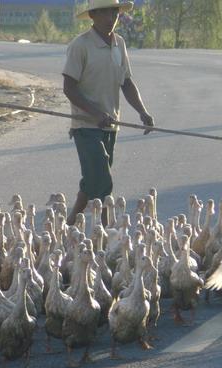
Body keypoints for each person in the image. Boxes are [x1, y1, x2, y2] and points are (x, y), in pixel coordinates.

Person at [62, 0, 154, 226]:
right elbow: (69, 88)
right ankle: (106, 231)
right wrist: (95, 114)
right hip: (86, 126)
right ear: (93, 15)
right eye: (105, 12)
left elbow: (127, 82)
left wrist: (143, 111)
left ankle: (69, 225)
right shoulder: (80, 45)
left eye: (114, 11)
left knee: (92, 180)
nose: (111, 17)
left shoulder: (119, 44)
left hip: (110, 125)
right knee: (103, 181)